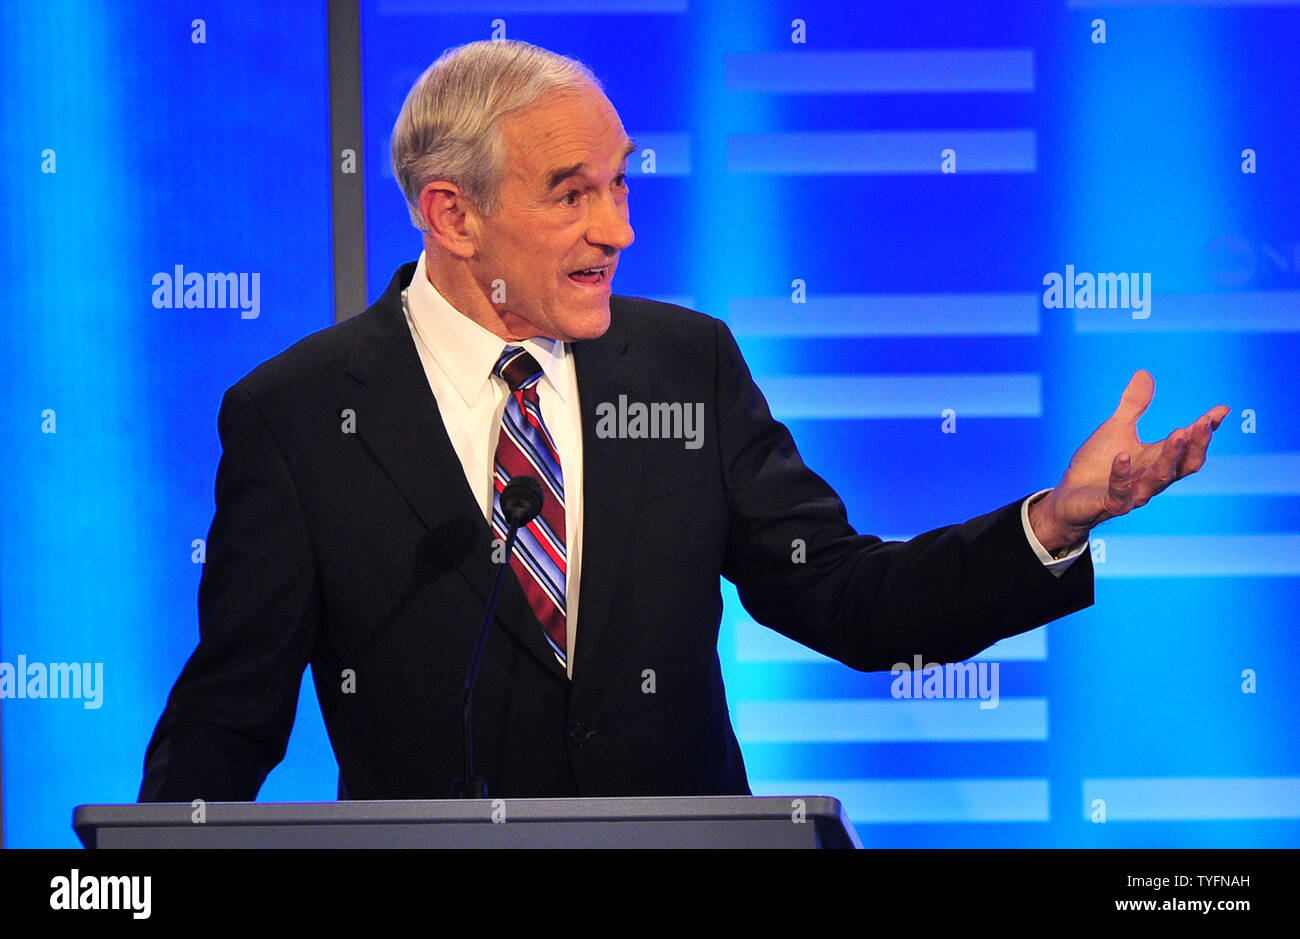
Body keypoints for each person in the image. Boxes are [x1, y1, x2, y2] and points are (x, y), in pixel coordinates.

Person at [139, 40, 1229, 802]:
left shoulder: (682, 364)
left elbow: (846, 599)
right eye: (573, 193)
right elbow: (228, 717)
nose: (616, 229)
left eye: (620, 186)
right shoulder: (298, 417)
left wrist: (1052, 523)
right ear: (452, 214)